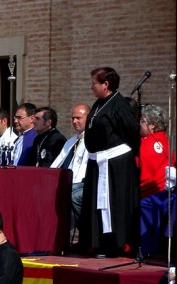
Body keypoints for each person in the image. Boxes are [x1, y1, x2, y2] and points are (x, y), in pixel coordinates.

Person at [78, 68, 142, 258]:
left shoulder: (119, 104)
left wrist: (119, 156)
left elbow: (131, 131)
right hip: (97, 162)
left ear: (106, 84)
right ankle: (95, 243)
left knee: (111, 204)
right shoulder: (99, 104)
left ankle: (114, 244)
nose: (92, 86)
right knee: (95, 203)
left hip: (115, 165)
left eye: (94, 83)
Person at [137, 104, 174, 258]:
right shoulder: (167, 141)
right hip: (168, 194)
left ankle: (147, 251)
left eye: (142, 121)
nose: (139, 124)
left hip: (151, 195)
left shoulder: (145, 144)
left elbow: (141, 173)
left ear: (152, 125)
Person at [50, 104, 91, 240]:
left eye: (78, 118)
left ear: (89, 118)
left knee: (73, 194)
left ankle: (86, 234)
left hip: (82, 184)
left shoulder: (94, 140)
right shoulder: (71, 141)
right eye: (73, 118)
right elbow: (57, 164)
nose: (74, 121)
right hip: (67, 184)